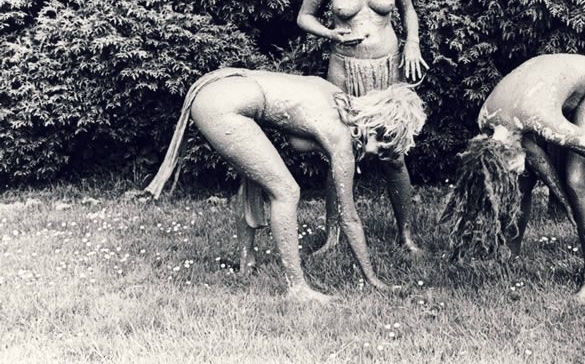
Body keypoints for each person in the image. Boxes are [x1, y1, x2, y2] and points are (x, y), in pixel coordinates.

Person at [142, 68, 426, 303]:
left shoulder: (336, 97)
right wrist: (373, 280)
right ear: (377, 125)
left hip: (221, 89)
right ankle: (297, 289)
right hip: (223, 105)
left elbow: (294, 133)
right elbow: (348, 217)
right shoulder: (340, 136)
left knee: (259, 172)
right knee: (287, 192)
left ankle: (247, 262)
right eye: (382, 145)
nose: (376, 154)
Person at [296, 0, 428, 254]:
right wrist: (330, 34)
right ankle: (332, 236)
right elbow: (304, 17)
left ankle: (406, 236)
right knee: (339, 153)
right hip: (344, 69)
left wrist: (412, 44)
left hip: (387, 71)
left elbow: (408, 10)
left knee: (394, 155)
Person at [441, 54, 585, 302]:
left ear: (513, 149)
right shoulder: (487, 123)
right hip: (539, 94)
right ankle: (510, 257)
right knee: (522, 182)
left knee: (576, 179)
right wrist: (563, 202)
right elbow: (535, 158)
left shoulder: (540, 120)